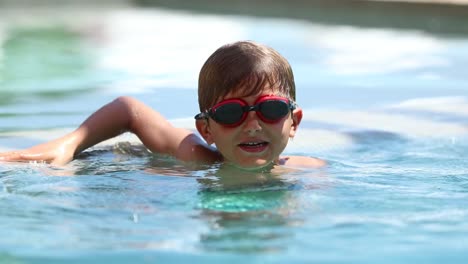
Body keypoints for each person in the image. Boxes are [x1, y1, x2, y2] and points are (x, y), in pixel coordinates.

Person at [0, 41, 325, 170]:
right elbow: (129, 109)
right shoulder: (199, 157)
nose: (253, 124)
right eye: (231, 113)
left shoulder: (308, 171)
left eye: (270, 109)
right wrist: (69, 144)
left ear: (293, 121)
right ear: (206, 129)